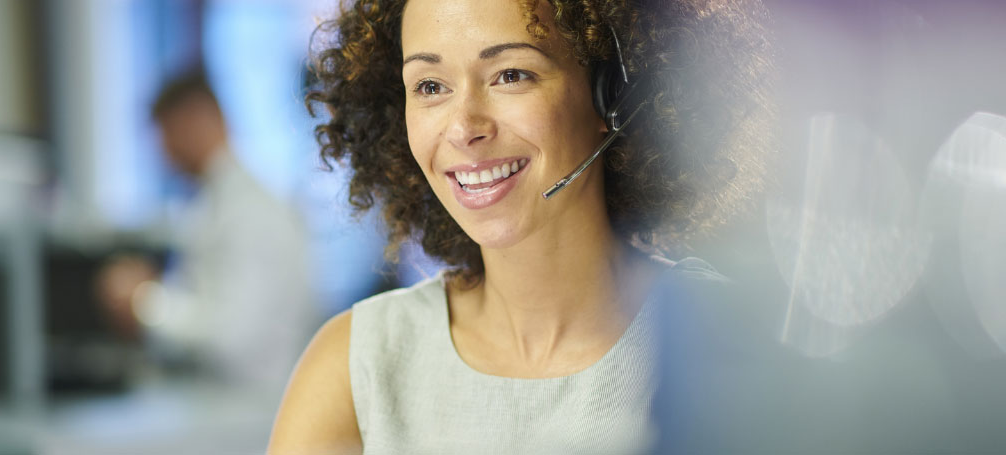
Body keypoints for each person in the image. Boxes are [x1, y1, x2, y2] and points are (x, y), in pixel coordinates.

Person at [268, 0, 773, 452]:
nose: (465, 128)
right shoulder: (354, 368)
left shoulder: (728, 348)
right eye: (430, 86)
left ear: (614, 92)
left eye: (510, 75)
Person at [97, 69, 318, 394]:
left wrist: (145, 301)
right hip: (222, 405)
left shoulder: (251, 212)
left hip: (248, 413)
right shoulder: (213, 203)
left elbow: (233, 338)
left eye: (164, 133)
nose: (162, 151)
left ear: (195, 119)